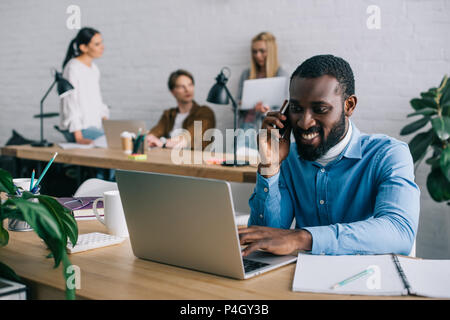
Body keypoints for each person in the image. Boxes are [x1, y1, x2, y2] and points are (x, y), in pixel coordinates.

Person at [238, 55, 420, 257]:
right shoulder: (288, 159)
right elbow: (262, 239)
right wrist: (269, 167)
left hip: (365, 278)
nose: (304, 122)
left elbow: (399, 232)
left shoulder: (388, 154)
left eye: (320, 109)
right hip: (299, 281)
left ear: (349, 106)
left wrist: (302, 238)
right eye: (297, 109)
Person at [237, 32, 288, 149]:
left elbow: (284, 108)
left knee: (261, 164)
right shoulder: (246, 74)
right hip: (245, 127)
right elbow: (236, 103)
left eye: (262, 51)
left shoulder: (281, 75)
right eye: (254, 52)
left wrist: (266, 110)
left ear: (271, 52)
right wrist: (242, 104)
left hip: (266, 130)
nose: (257, 55)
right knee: (239, 163)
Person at [59, 27, 109, 144]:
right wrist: (78, 137)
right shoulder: (73, 68)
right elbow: (70, 103)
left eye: (101, 43)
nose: (102, 47)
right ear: (83, 47)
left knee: (121, 138)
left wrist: (108, 126)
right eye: (97, 44)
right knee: (112, 143)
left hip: (93, 127)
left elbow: (97, 101)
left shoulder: (94, 69)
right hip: (78, 130)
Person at [147, 69, 215, 150]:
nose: (187, 90)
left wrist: (163, 143)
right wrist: (150, 138)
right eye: (182, 86)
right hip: (168, 158)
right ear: (173, 92)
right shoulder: (169, 114)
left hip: (195, 159)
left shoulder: (205, 112)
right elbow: (155, 133)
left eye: (190, 85)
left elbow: (189, 137)